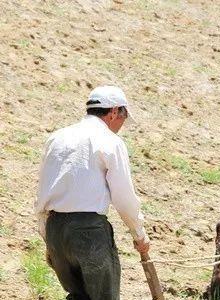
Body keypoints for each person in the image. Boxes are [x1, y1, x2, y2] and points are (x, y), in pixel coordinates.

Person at [35, 85, 150, 300]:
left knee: (77, 296)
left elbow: (43, 190)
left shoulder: (56, 138)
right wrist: (139, 234)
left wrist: (48, 237)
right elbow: (124, 199)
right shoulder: (111, 142)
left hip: (56, 232)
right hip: (89, 234)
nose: (122, 126)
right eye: (123, 118)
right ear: (114, 111)